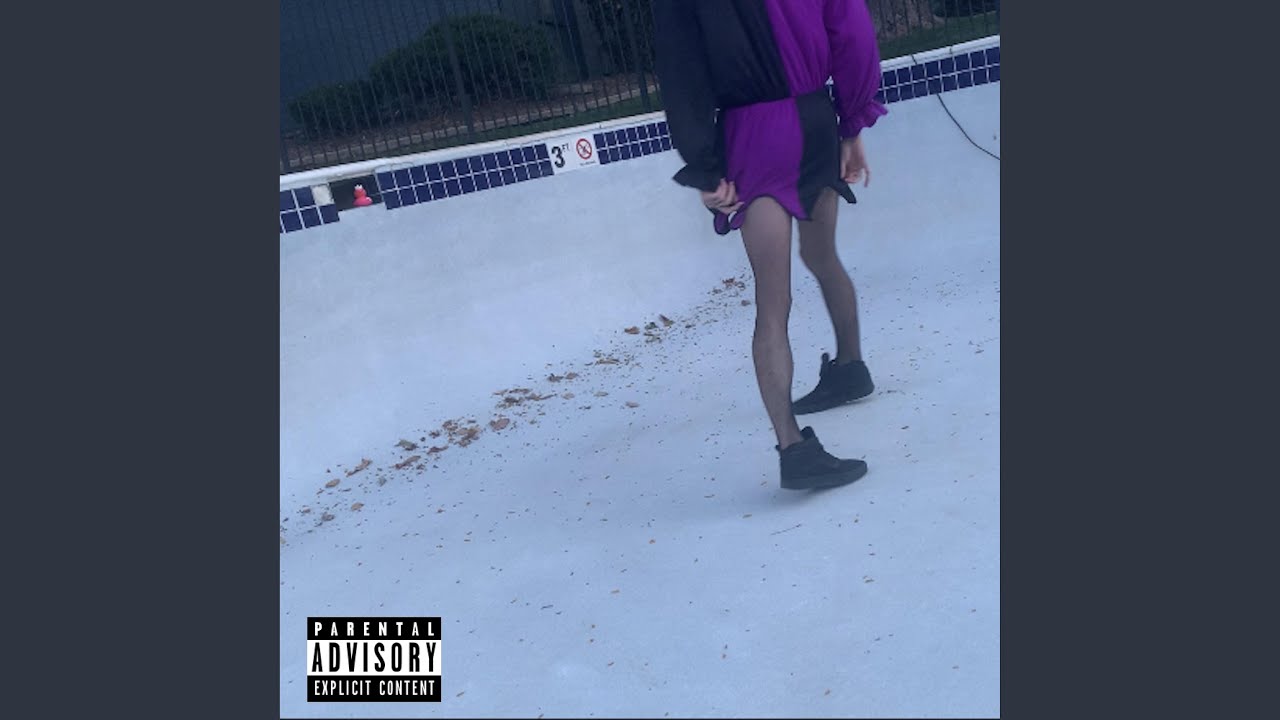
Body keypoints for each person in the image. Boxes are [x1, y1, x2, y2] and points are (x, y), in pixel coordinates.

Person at [653, 0, 886, 490]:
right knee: (822, 255)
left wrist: (705, 167)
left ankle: (793, 448)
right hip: (816, 120)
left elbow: (683, 69)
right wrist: (851, 122)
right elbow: (852, 32)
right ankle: (850, 367)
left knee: (772, 301)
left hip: (754, 136)